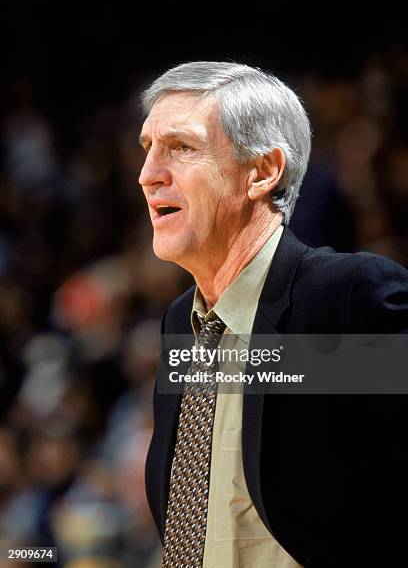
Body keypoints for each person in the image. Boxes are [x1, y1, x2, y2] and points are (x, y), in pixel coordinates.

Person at [139, 61, 408, 568]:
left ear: (262, 172)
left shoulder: (342, 299)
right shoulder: (182, 322)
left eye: (181, 147)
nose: (148, 174)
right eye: (147, 148)